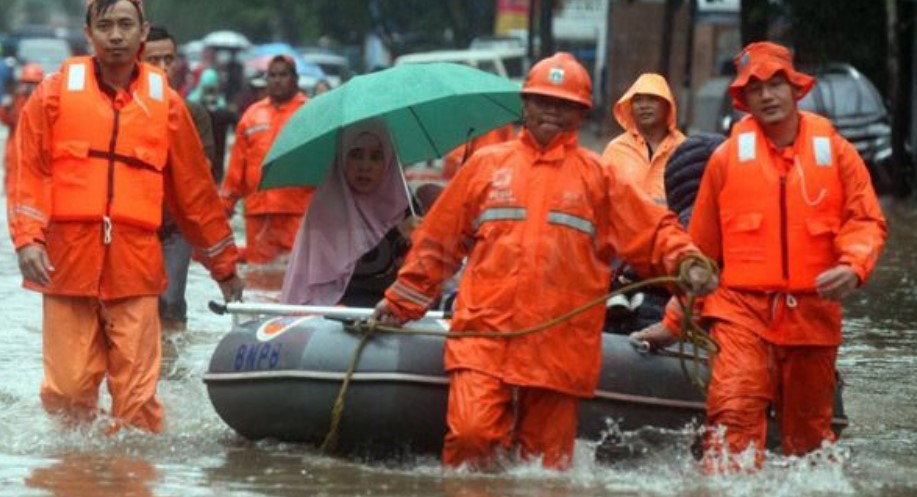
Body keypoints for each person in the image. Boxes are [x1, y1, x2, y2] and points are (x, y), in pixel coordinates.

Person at [371, 52, 718, 471]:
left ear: (580, 112)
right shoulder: (486, 167)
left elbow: (653, 230)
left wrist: (687, 263)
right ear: (525, 103)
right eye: (544, 101)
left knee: (545, 468)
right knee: (470, 437)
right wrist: (399, 303)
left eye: (564, 104)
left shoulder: (598, 177)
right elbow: (436, 245)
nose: (552, 111)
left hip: (559, 346)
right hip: (486, 336)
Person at [632, 41, 887, 471]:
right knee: (732, 417)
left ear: (795, 89)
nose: (767, 95)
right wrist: (673, 324)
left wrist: (853, 266)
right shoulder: (726, 160)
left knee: (810, 444)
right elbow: (700, 256)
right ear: (744, 99)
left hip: (812, 318)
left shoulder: (837, 153)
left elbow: (866, 222)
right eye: (756, 88)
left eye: (775, 84)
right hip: (741, 314)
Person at [8, 0, 244, 433]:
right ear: (89, 33)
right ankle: (77, 477)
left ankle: (133, 476)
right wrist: (27, 239)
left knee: (137, 401)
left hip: (135, 265)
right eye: (106, 26)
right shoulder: (54, 93)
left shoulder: (167, 105)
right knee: (68, 392)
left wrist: (225, 269)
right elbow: (27, 168)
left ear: (142, 31)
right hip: (68, 263)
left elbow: (195, 196)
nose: (115, 35)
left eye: (125, 25)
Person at [281, 120, 424, 307]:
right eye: (356, 155)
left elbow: (426, 269)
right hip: (337, 308)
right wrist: (395, 234)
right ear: (342, 158)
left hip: (395, 309)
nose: (365, 166)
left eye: (376, 157)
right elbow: (348, 268)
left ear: (389, 161)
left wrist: (423, 238)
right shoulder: (327, 207)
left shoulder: (405, 204)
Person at [143, 24, 219, 331]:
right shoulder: (119, 110)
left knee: (170, 303)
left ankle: (173, 369)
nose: (163, 67)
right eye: (154, 60)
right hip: (131, 225)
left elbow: (201, 178)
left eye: (169, 59)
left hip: (174, 227)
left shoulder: (193, 113)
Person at [220, 55, 314, 264]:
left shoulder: (310, 112)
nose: (277, 80)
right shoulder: (252, 115)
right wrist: (225, 206)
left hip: (298, 212)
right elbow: (236, 168)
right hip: (258, 213)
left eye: (283, 75)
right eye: (272, 75)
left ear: (295, 79)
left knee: (296, 274)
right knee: (259, 277)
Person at [602, 73, 685, 205]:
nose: (643, 105)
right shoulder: (616, 150)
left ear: (668, 105)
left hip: (671, 226)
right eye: (638, 100)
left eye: (652, 99)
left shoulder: (684, 149)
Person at [1, 62, 43, 195]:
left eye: (33, 84)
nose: (29, 87)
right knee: (13, 188)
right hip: (15, 153)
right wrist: (4, 108)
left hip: (35, 154)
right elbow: (8, 120)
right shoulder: (16, 100)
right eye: (27, 83)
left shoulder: (45, 102)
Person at [442, 123, 516, 180]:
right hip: (477, 172)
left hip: (492, 171)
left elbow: (511, 152)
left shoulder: (502, 124)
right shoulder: (468, 122)